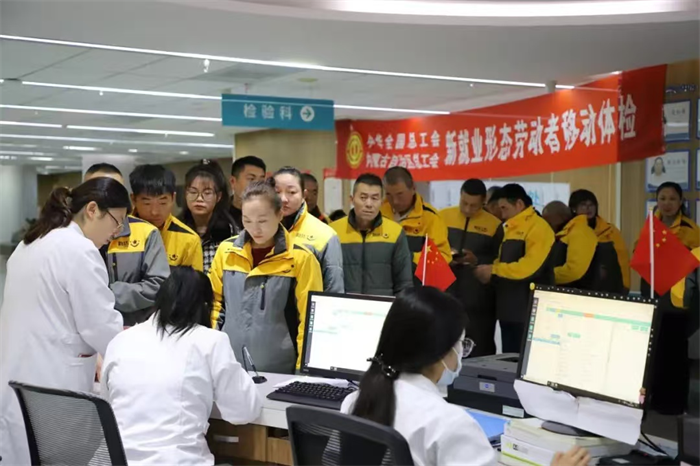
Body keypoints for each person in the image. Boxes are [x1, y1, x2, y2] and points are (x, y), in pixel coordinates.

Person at [341, 287, 591, 466]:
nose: (462, 353)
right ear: (439, 352)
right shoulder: (448, 423)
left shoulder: (356, 401)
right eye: (461, 344)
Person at [0, 178, 128, 465]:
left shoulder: (29, 243)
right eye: (116, 221)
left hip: (18, 381)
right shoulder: (80, 250)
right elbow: (100, 326)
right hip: (54, 390)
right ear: (92, 210)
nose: (116, 232)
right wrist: (135, 344)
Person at [102, 267, 262, 465]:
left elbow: (107, 404)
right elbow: (243, 411)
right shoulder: (211, 341)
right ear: (205, 306)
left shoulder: (121, 340)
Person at [209, 181, 323, 373]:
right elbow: (214, 305)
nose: (255, 229)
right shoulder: (226, 251)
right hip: (229, 365)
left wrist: (303, 370)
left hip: (280, 369)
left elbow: (311, 320)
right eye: (247, 221)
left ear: (279, 214)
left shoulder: (300, 258)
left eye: (262, 221)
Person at [637, 181, 700, 414]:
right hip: (652, 296)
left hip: (677, 300)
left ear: (681, 201)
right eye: (662, 198)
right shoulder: (650, 226)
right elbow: (638, 252)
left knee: (675, 354)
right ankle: (652, 399)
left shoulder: (690, 230)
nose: (667, 203)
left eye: (672, 199)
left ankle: (674, 404)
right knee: (654, 352)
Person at [85, 163, 170, 325]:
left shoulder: (146, 233)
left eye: (116, 190)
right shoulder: (72, 235)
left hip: (134, 329)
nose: (108, 198)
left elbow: (159, 285)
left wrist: (106, 294)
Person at [474, 184, 554, 353]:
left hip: (529, 311)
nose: (501, 214)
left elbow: (529, 267)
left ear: (519, 204)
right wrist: (486, 268)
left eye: (504, 208)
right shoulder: (509, 228)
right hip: (509, 309)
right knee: (509, 359)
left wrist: (494, 270)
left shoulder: (539, 228)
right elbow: (503, 260)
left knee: (525, 360)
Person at [439, 179, 502, 357]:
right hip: (447, 294)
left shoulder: (494, 225)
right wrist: (447, 257)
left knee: (479, 350)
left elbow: (499, 260)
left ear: (483, 202)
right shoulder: (442, 217)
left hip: (479, 301)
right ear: (460, 196)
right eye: (464, 203)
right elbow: (431, 248)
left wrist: (477, 260)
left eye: (474, 205)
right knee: (445, 347)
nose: (467, 209)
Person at [330, 173, 413, 296]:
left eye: (374, 198)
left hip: (383, 306)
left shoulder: (395, 232)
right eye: (363, 198)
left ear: (382, 202)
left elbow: (404, 283)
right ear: (352, 199)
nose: (369, 204)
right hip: (343, 305)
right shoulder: (333, 231)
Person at [273, 166, 344, 293]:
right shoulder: (261, 230)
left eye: (291, 192)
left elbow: (334, 289)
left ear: (303, 195)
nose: (283, 199)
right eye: (277, 192)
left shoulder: (325, 235)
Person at [130, 164, 204, 271]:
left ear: (173, 198)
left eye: (162, 203)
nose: (155, 212)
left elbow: (193, 281)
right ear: (133, 199)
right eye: (147, 203)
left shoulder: (189, 240)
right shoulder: (118, 232)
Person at [380, 167, 451, 277]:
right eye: (389, 195)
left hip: (415, 283)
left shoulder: (430, 218)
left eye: (400, 194)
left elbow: (443, 259)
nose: (395, 201)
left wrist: (410, 257)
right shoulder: (377, 214)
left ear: (413, 188)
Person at [180, 161, 237, 274]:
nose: (199, 198)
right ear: (186, 194)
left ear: (218, 196)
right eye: (193, 192)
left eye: (207, 193)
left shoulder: (229, 232)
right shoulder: (177, 229)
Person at [569, 189, 630, 294]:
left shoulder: (610, 231)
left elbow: (622, 258)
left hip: (606, 288)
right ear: (574, 208)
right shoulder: (567, 230)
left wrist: (625, 285)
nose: (588, 208)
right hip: (575, 287)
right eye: (583, 205)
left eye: (591, 205)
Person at [543, 201, 599, 290]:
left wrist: (544, 277)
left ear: (559, 217)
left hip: (578, 294)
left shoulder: (580, 232)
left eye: (549, 222)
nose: (547, 226)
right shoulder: (565, 233)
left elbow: (574, 271)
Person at [671, 247, 700, 414]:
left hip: (696, 318)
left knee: (689, 362)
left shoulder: (696, 254)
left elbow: (686, 291)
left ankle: (688, 408)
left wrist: (685, 306)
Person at [229, 155, 267, 233]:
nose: (257, 185)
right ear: (233, 182)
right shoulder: (219, 213)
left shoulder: (269, 212)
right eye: (251, 179)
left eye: (261, 181)